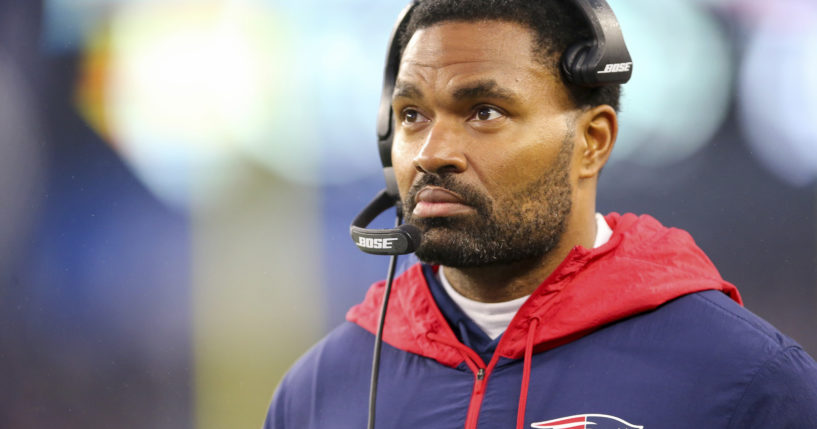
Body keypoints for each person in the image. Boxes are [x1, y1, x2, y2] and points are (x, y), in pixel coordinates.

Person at [264, 1, 817, 428]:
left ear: (593, 142)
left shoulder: (747, 380)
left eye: (484, 112)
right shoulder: (318, 391)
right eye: (412, 115)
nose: (432, 152)